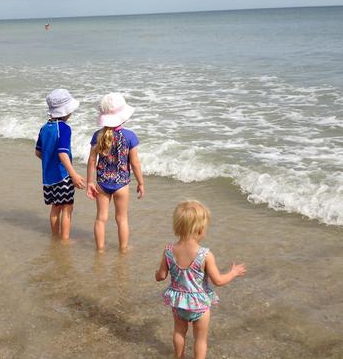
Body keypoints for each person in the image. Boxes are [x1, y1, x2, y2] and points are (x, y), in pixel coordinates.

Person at [155, 200, 246, 359]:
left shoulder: (169, 251)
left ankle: (179, 357)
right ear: (199, 229)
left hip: (179, 303)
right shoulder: (205, 255)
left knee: (179, 332)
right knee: (200, 339)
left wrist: (157, 272)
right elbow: (218, 280)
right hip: (199, 305)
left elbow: (161, 276)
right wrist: (233, 272)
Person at [86, 93, 144, 252]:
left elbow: (92, 161)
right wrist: (141, 182)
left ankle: (100, 250)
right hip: (121, 185)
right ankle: (124, 249)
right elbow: (134, 162)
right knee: (122, 219)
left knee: (100, 219)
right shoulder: (130, 136)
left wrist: (90, 182)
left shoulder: (97, 135)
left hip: (102, 184)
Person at [35, 89, 86, 240]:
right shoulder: (64, 128)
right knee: (67, 208)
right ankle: (64, 240)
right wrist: (73, 175)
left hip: (48, 177)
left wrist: (49, 161)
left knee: (55, 208)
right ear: (66, 111)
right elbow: (62, 153)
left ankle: (54, 237)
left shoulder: (44, 128)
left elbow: (38, 153)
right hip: (63, 176)